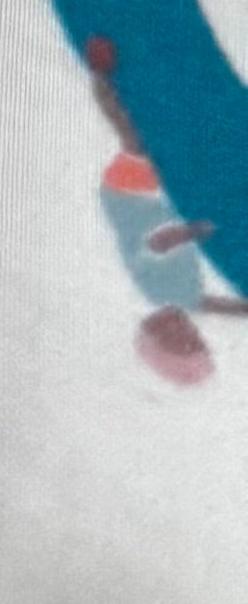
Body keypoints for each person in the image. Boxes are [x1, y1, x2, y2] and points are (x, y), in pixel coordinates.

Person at [85, 36, 247, 386]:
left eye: (186, 341)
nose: (192, 332)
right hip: (149, 202)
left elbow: (157, 243)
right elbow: (220, 306)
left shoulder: (161, 291)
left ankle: (101, 78)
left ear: (162, 333)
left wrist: (193, 231)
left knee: (136, 144)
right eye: (197, 340)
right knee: (151, 147)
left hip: (130, 198)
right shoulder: (185, 297)